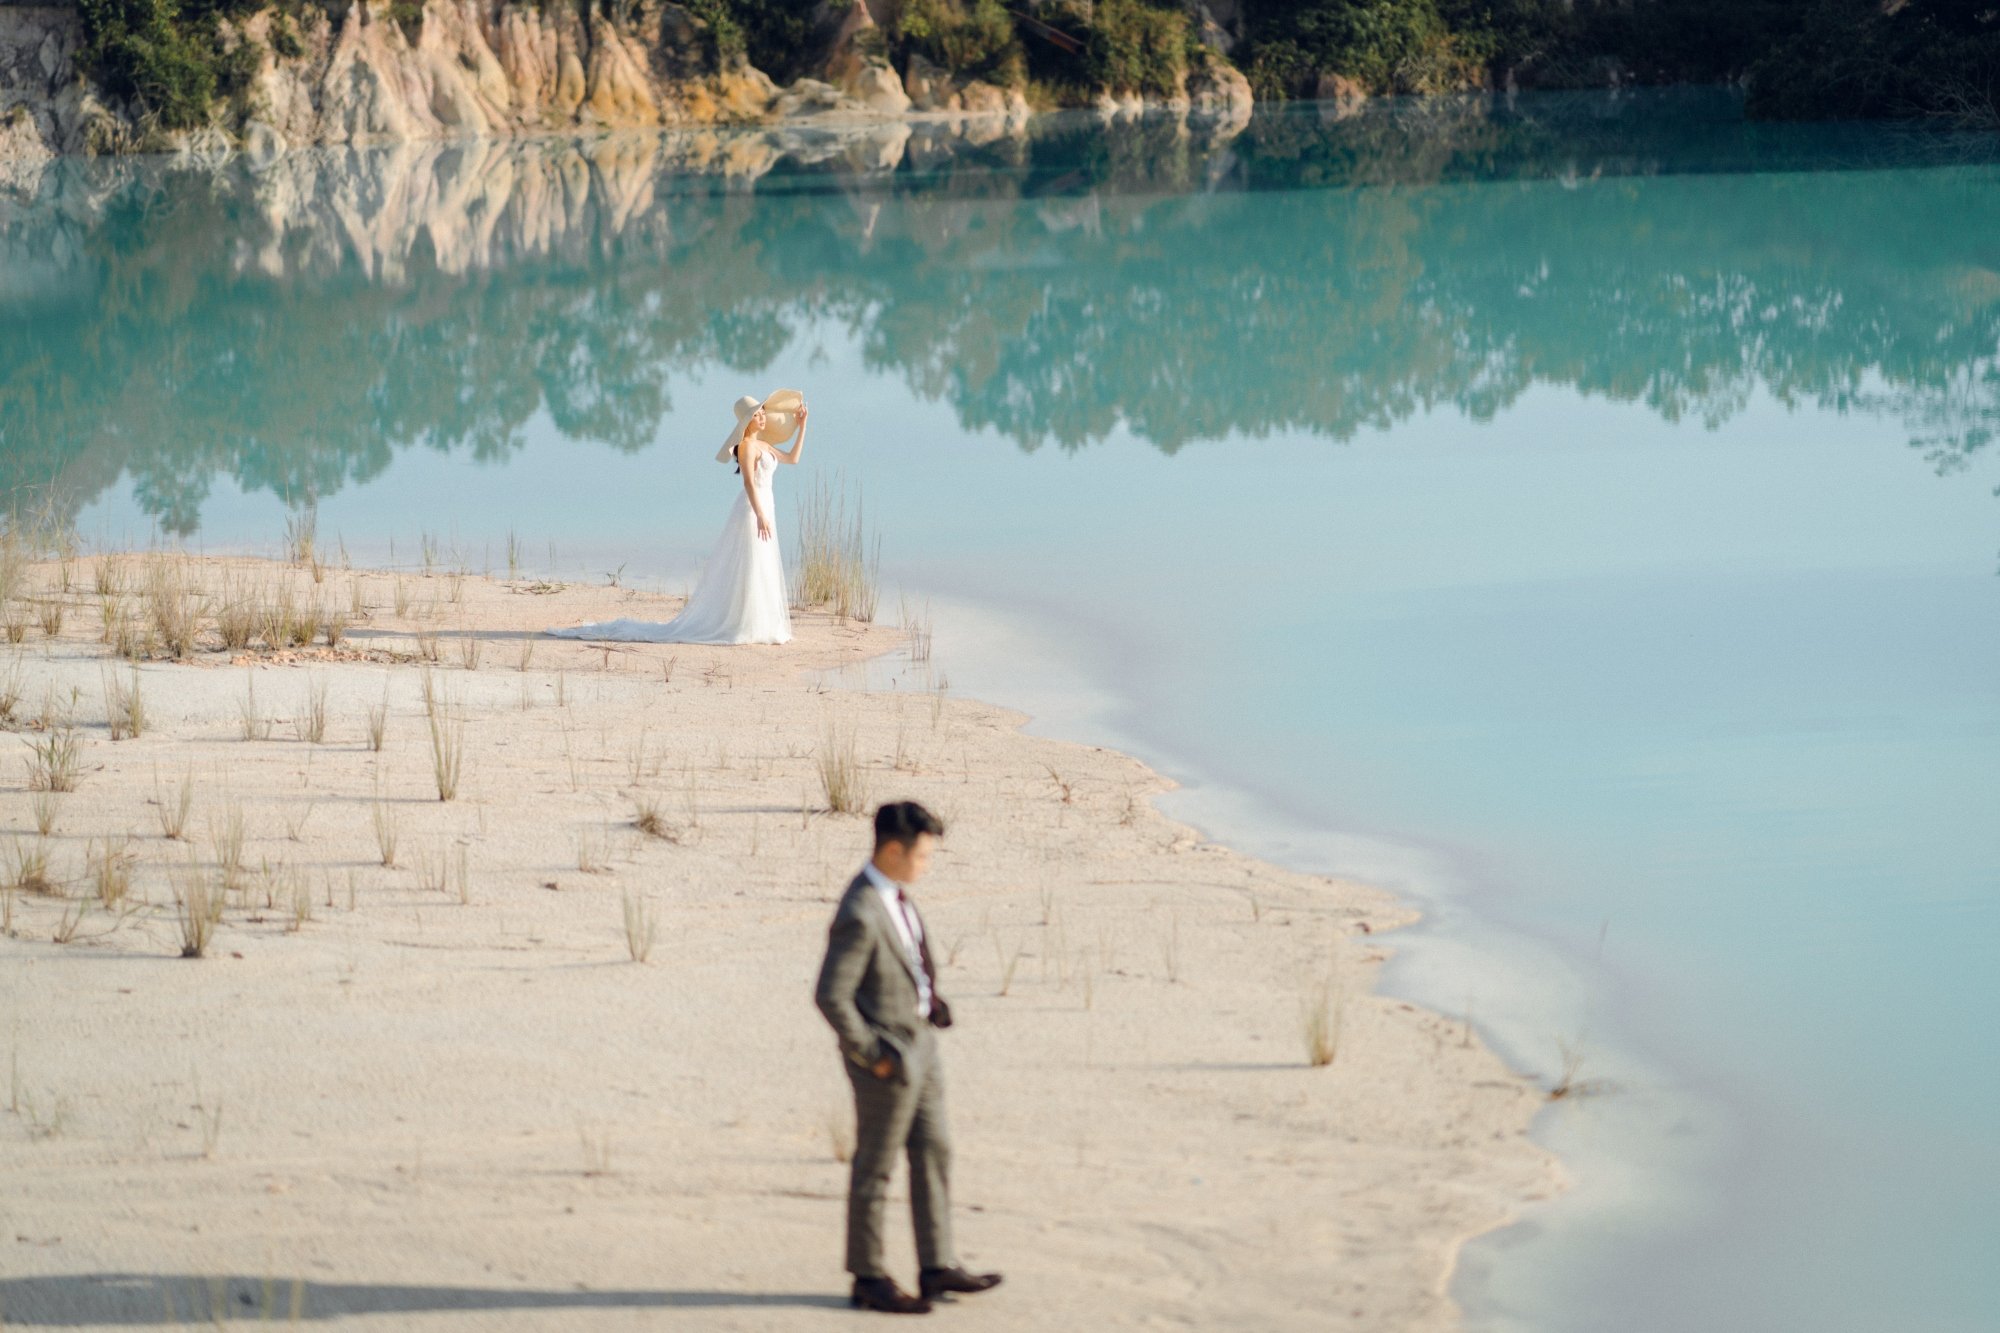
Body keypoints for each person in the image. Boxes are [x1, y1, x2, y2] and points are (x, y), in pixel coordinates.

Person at [813, 802, 1003, 1315]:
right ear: (892, 850)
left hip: (922, 1046)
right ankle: (869, 1277)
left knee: (935, 1150)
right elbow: (832, 995)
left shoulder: (896, 896)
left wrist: (930, 1002)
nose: (927, 864)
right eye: (921, 855)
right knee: (876, 1166)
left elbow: (911, 960)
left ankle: (936, 1265)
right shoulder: (859, 910)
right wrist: (872, 1055)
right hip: (888, 1059)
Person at [548, 391, 806, 645]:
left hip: (765, 507)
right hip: (752, 509)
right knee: (750, 564)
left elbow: (793, 459)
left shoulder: (765, 446)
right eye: (757, 414)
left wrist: (802, 425)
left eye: (762, 412)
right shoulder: (747, 447)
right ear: (747, 421)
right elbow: (749, 482)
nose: (762, 417)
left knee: (762, 564)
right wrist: (760, 513)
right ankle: (744, 623)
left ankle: (760, 622)